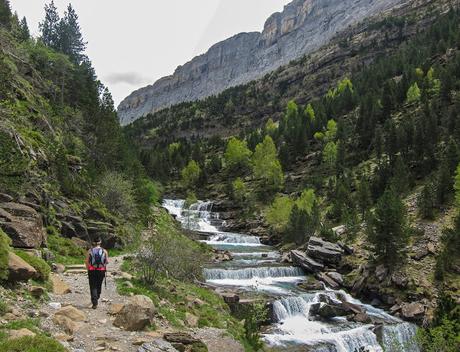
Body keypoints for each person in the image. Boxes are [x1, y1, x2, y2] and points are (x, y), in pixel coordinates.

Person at [85, 238, 109, 309]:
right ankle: (97, 296)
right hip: (101, 270)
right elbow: (107, 262)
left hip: (92, 270)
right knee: (99, 284)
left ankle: (94, 303)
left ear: (93, 242)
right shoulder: (104, 251)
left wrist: (88, 269)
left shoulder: (90, 251)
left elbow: (87, 261)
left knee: (93, 286)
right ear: (100, 242)